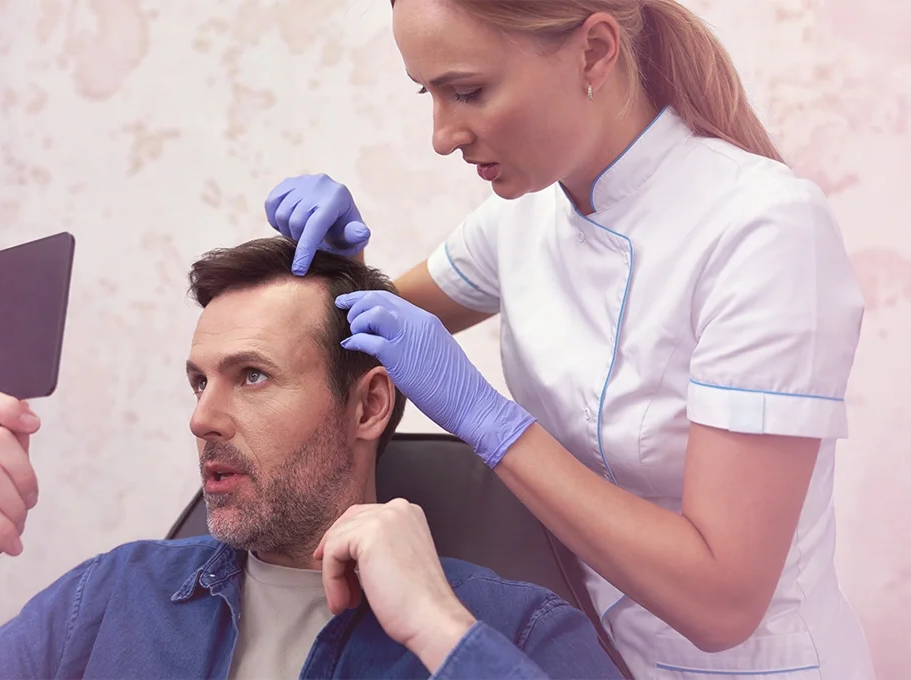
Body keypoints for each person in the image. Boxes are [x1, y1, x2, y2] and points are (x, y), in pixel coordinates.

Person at [263, 0, 873, 678]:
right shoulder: (525, 215)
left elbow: (722, 604)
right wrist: (342, 266)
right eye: (426, 93)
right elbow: (366, 330)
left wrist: (487, 420)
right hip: (578, 654)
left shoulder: (765, 230)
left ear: (595, 52)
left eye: (468, 91)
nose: (441, 136)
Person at [0, 237, 622, 680]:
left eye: (251, 376)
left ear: (368, 406)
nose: (202, 418)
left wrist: (441, 631)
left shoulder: (516, 628)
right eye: (198, 381)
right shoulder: (108, 602)